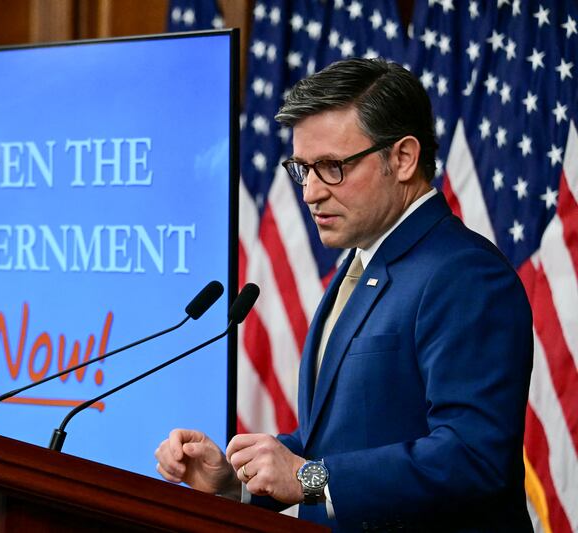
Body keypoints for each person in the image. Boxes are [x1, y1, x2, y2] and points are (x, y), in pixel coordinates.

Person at [155, 58, 534, 532]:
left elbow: (473, 457)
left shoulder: (464, 274)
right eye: (303, 169)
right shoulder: (365, 262)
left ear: (403, 158)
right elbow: (341, 439)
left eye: (332, 167)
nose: (310, 192)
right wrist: (240, 480)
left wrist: (306, 478)